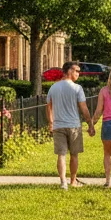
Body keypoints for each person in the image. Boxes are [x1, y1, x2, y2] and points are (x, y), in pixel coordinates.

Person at [46, 61, 94, 190]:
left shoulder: (53, 88)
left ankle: (63, 182)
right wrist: (90, 124)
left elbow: (49, 107)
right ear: (69, 71)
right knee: (74, 154)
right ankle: (73, 180)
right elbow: (84, 108)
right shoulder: (77, 88)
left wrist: (51, 122)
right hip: (73, 125)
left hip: (58, 126)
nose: (78, 73)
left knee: (61, 154)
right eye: (76, 71)